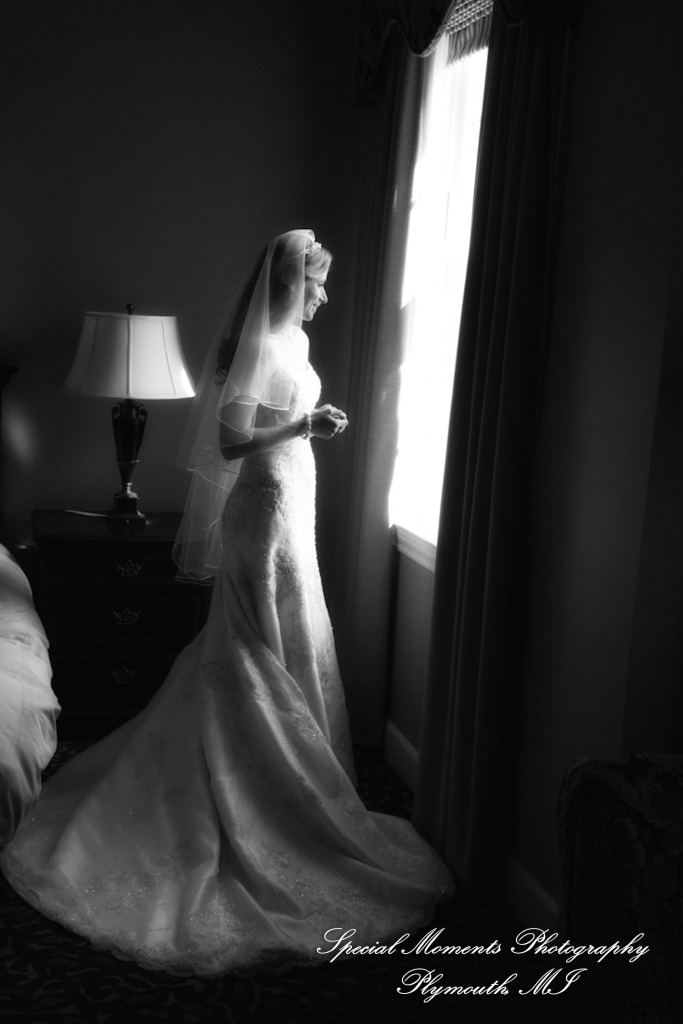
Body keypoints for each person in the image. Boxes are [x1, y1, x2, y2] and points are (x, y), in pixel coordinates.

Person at [0, 229, 453, 978]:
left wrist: (309, 424)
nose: (325, 295)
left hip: (293, 500)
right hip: (262, 507)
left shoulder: (295, 344)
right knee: (252, 642)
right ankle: (255, 784)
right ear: (289, 282)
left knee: (287, 633)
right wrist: (306, 424)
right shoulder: (263, 349)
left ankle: (296, 782)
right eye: (317, 283)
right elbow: (229, 441)